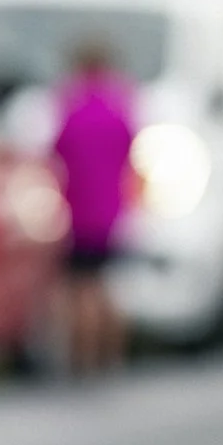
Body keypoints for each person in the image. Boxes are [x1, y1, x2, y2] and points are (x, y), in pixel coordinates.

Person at [50, 36, 136, 375]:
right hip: (113, 210)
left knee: (82, 288)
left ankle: (84, 357)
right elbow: (130, 148)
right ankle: (111, 355)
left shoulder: (72, 105)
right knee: (106, 286)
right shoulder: (120, 104)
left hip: (79, 209)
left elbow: (58, 149)